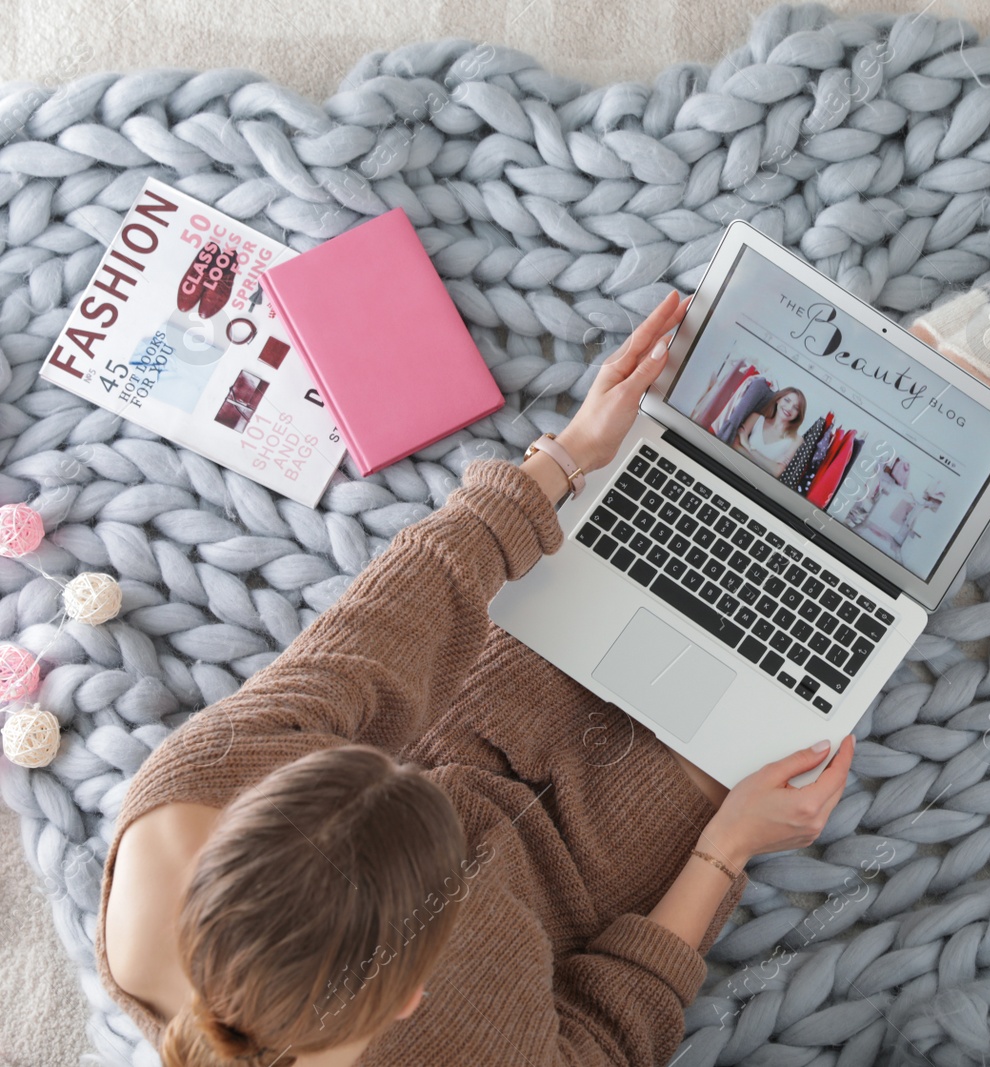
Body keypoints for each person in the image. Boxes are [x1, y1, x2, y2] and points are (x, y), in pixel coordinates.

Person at [95, 289, 858, 1067]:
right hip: (617, 840)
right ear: (407, 1002)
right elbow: (603, 1041)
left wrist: (562, 460)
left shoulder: (185, 802)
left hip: (502, 681)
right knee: (841, 559)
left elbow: (381, 635)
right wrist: (726, 850)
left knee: (720, 458)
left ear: (242, 826)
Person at [732, 387, 806, 476]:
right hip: (735, 469)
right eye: (787, 400)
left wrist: (747, 445)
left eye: (796, 408)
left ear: (798, 414)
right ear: (778, 399)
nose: (789, 408)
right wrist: (768, 465)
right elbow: (735, 446)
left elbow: (776, 472)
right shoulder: (755, 418)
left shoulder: (796, 439)